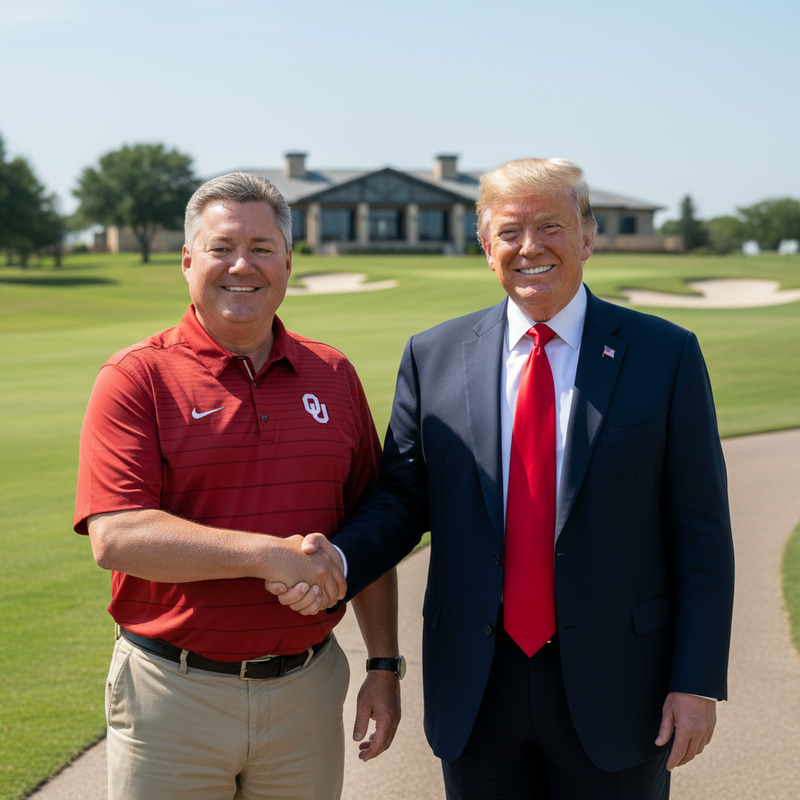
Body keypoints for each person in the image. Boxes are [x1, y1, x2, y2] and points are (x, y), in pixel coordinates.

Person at [273, 158, 735, 799]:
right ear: (486, 247)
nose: (530, 247)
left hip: (619, 683)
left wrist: (698, 680)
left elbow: (701, 531)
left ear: (587, 236)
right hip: (477, 684)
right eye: (510, 232)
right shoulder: (432, 355)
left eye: (551, 226)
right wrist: (340, 560)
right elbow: (402, 499)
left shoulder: (665, 353)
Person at [74, 172, 401, 800]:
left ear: (287, 261)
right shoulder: (136, 377)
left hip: (307, 692)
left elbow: (371, 527)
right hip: (173, 695)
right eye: (221, 248)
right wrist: (269, 556)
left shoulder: (333, 373)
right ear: (187, 260)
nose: (242, 265)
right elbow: (116, 537)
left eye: (262, 248)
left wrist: (383, 664)